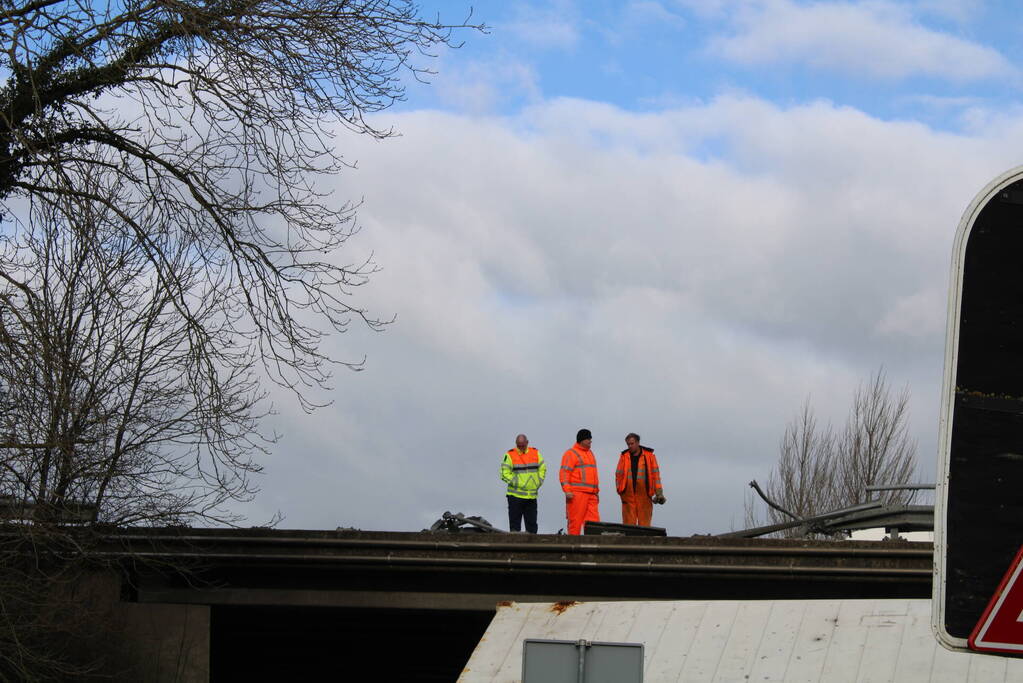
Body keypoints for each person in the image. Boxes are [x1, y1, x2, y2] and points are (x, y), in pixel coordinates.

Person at [615, 432, 666, 527]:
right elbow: (618, 474)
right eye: (628, 444)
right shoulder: (624, 457)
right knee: (629, 527)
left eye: (632, 443)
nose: (630, 446)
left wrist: (659, 492)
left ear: (638, 443)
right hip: (628, 496)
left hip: (645, 496)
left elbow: (656, 475)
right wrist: (620, 490)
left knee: (645, 526)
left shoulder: (649, 456)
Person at [500, 434, 546, 533]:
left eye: (522, 445)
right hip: (515, 496)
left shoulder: (535, 453)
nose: (520, 447)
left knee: (532, 526)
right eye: (518, 445)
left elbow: (542, 468)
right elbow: (504, 473)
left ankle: (532, 546)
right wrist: (518, 483)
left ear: (527, 442)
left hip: (531, 496)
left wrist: (539, 481)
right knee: (515, 528)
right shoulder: (510, 455)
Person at [560, 428, 600, 535]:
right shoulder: (571, 453)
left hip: (591, 494)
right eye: (588, 439)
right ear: (581, 440)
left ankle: (593, 546)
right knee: (575, 521)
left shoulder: (590, 453)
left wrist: (596, 492)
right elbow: (564, 473)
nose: (590, 441)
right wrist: (567, 491)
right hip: (577, 494)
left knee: (594, 523)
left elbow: (594, 474)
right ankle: (572, 547)